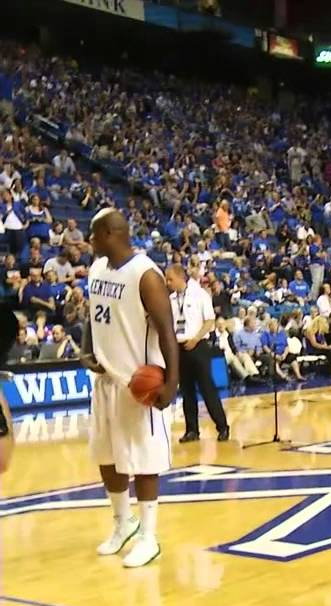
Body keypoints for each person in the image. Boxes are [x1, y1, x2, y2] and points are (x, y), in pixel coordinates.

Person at [82, 209, 179, 569]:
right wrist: (86, 348)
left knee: (144, 462)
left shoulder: (146, 275)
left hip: (140, 384)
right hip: (105, 380)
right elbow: (92, 316)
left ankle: (149, 537)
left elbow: (167, 332)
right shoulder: (96, 270)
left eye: (94, 235)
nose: (89, 242)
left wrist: (172, 382)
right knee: (107, 458)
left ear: (111, 233)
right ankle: (123, 523)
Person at [166, 265, 230, 443]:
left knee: (207, 388)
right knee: (186, 391)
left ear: (180, 277)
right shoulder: (170, 299)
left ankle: (222, 426)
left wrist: (196, 338)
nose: (168, 283)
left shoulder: (199, 294)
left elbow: (209, 320)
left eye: (170, 279)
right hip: (179, 347)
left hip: (198, 345)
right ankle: (192, 430)